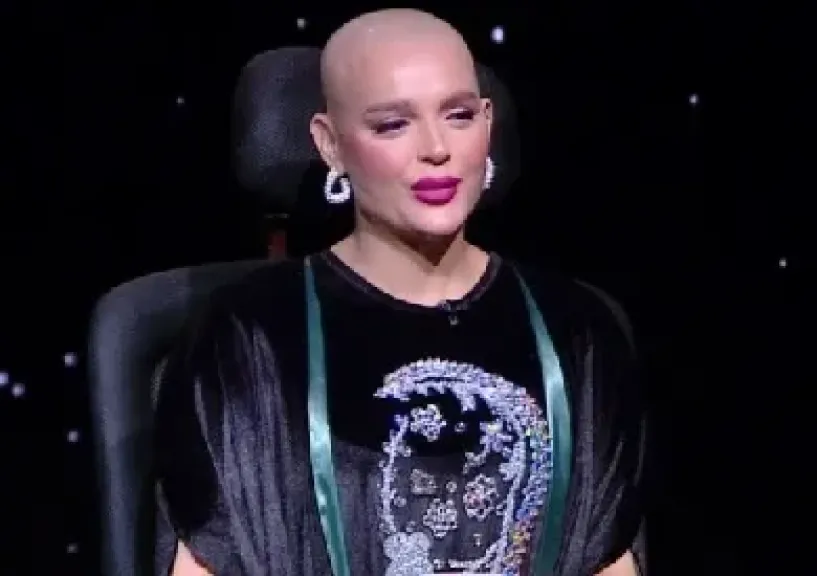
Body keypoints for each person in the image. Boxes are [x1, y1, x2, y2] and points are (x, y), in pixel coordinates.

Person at [154, 8, 646, 576]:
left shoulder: (578, 333)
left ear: (488, 124)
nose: (436, 148)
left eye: (459, 116)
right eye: (392, 125)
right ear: (330, 144)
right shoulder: (248, 338)